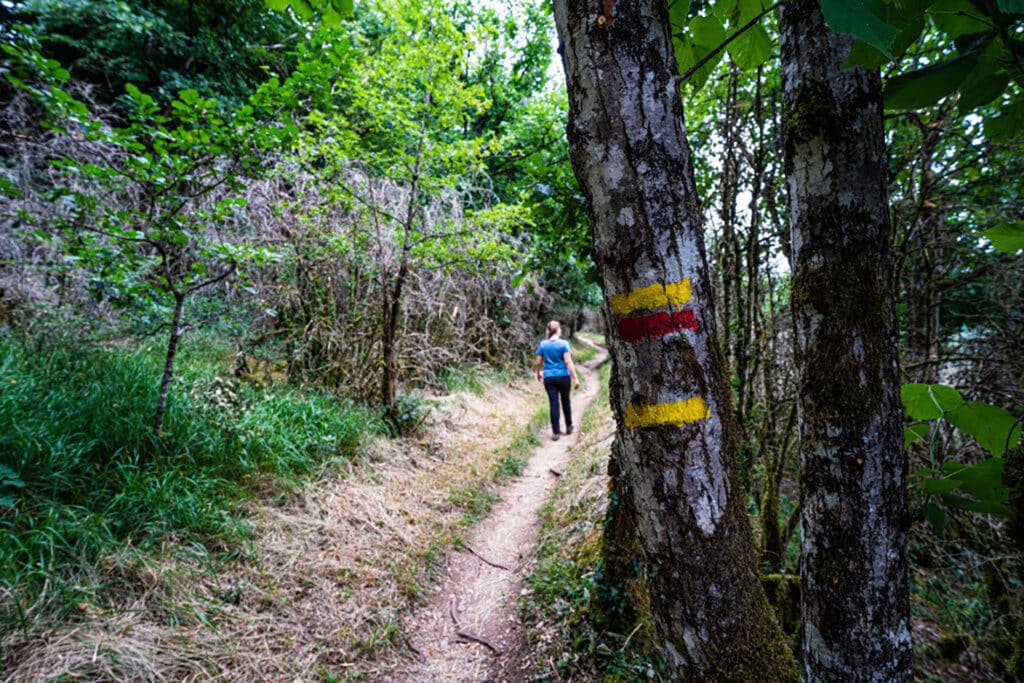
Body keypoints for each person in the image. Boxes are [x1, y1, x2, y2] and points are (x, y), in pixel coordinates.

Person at [535, 320, 580, 441]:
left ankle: (555, 433)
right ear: (558, 330)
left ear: (548, 331)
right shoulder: (564, 344)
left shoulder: (543, 344)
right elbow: (568, 362)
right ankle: (569, 426)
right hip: (563, 377)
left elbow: (538, 362)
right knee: (566, 401)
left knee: (553, 403)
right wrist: (575, 378)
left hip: (549, 377)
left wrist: (538, 373)